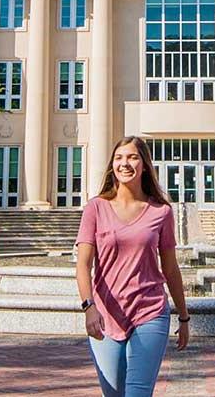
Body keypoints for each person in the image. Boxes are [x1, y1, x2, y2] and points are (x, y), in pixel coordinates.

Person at [76, 138, 192, 397]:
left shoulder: (160, 211)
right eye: (119, 157)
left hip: (149, 312)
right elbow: (83, 266)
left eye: (132, 157)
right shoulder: (96, 208)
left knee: (138, 393)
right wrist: (89, 307)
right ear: (112, 165)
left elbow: (171, 269)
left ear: (144, 165)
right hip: (105, 314)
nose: (124, 163)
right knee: (114, 392)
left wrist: (183, 317)